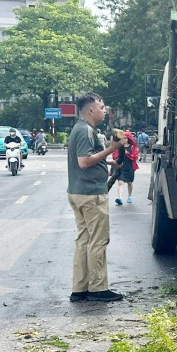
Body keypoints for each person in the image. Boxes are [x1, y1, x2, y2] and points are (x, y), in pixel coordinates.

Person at [66, 93, 123, 303]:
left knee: (84, 241)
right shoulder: (85, 131)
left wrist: (109, 163)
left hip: (79, 191)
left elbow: (86, 158)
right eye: (101, 106)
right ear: (91, 110)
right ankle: (98, 288)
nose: (104, 110)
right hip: (90, 195)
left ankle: (79, 288)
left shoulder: (81, 128)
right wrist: (112, 149)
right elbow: (83, 161)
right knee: (98, 241)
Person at [108, 130, 137, 205]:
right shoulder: (118, 147)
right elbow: (114, 155)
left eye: (125, 138)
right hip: (120, 167)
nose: (124, 139)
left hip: (129, 166)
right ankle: (120, 198)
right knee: (120, 182)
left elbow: (135, 156)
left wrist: (128, 155)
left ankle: (129, 196)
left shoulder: (132, 147)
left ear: (128, 139)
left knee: (129, 182)